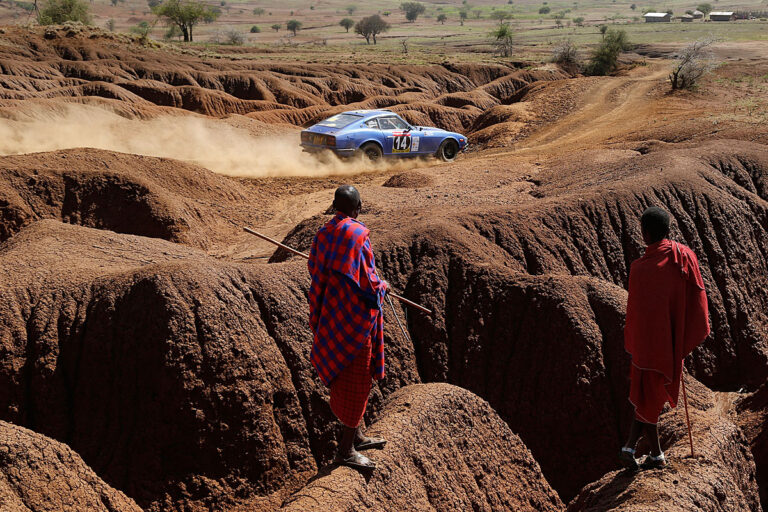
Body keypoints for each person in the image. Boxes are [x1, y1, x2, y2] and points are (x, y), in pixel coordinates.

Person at [620, 207, 710, 470]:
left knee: (648, 396)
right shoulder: (684, 257)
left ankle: (637, 449)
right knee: (651, 399)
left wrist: (636, 340)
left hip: (648, 346)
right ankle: (649, 453)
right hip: (669, 342)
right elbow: (697, 295)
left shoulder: (639, 269)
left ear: (646, 233)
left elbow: (635, 311)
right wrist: (682, 334)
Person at [307, 185, 389, 470]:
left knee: (345, 375)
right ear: (357, 208)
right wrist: (383, 288)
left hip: (331, 316)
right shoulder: (358, 236)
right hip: (354, 322)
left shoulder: (323, 235)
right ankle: (345, 450)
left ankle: (357, 435)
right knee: (357, 380)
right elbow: (368, 282)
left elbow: (315, 271)